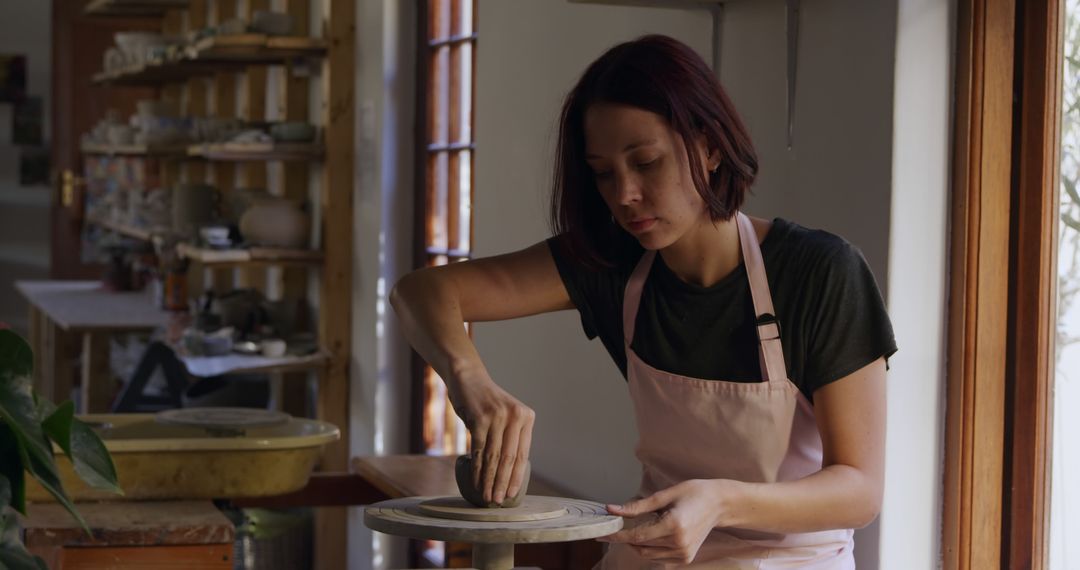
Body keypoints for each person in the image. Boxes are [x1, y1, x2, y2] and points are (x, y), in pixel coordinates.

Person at [390, 34, 896, 569]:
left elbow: (859, 490)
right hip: (654, 556)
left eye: (646, 162)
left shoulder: (820, 272)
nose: (624, 194)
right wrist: (470, 382)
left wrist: (720, 501)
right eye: (604, 173)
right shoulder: (613, 262)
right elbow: (420, 292)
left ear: (710, 145)